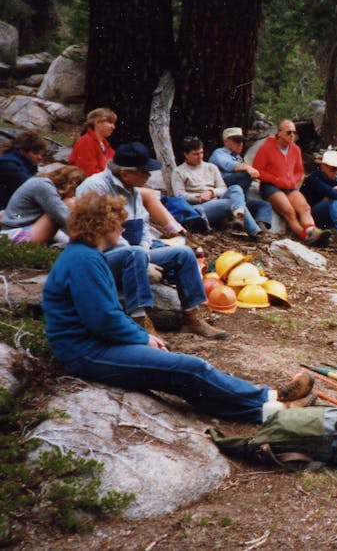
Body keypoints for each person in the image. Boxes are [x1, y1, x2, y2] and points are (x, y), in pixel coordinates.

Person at [41, 192, 316, 423]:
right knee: (189, 368)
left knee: (184, 376)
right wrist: (142, 338)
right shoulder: (84, 261)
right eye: (118, 223)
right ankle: (269, 402)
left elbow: (105, 316)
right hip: (87, 352)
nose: (123, 229)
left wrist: (140, 338)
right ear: (101, 225)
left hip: (92, 347)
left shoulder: (86, 256)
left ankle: (268, 406)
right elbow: (103, 319)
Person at [76, 142, 226, 339]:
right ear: (126, 173)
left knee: (184, 254)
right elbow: (102, 233)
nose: (148, 175)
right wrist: (140, 257)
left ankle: (191, 314)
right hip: (100, 258)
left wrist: (144, 251)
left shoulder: (134, 190)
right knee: (135, 253)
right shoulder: (95, 187)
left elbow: (143, 227)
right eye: (144, 171)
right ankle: (140, 320)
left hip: (134, 253)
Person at [68, 108, 190, 237]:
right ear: (97, 122)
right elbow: (87, 172)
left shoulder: (104, 144)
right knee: (149, 194)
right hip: (92, 189)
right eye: (110, 123)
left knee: (152, 193)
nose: (113, 127)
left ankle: (183, 221)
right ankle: (176, 229)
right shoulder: (85, 142)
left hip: (115, 184)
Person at [252, 119, 329, 246]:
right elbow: (257, 170)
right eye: (289, 132)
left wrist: (293, 180)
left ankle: (313, 232)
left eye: (294, 132)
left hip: (289, 187)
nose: (292, 135)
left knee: (305, 208)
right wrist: (275, 179)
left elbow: (299, 171)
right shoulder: (266, 148)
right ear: (279, 133)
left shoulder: (295, 149)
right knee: (289, 212)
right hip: (270, 187)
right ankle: (305, 237)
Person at [172, 136, 261, 237]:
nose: (200, 156)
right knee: (232, 202)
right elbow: (179, 195)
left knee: (236, 188)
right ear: (186, 154)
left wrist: (211, 192)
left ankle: (240, 219)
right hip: (199, 208)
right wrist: (199, 197)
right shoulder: (179, 171)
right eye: (195, 154)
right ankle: (253, 231)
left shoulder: (211, 167)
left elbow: (223, 188)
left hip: (216, 200)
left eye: (201, 152)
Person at [1, 165, 85, 245]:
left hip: (22, 228)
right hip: (15, 233)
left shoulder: (41, 182)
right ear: (71, 185)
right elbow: (63, 217)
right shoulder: (44, 186)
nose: (74, 196)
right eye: (75, 191)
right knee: (68, 204)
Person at [208, 126, 272, 229]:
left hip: (240, 195)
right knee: (245, 174)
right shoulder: (219, 153)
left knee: (264, 205)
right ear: (226, 142)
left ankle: (261, 226)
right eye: (237, 141)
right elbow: (229, 165)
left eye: (242, 141)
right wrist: (247, 168)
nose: (240, 144)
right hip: (224, 192)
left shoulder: (238, 157)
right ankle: (237, 217)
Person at [0, 131, 46, 209]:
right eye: (35, 153)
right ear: (23, 151)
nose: (39, 157)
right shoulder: (9, 165)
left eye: (41, 154)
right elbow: (30, 187)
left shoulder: (26, 164)